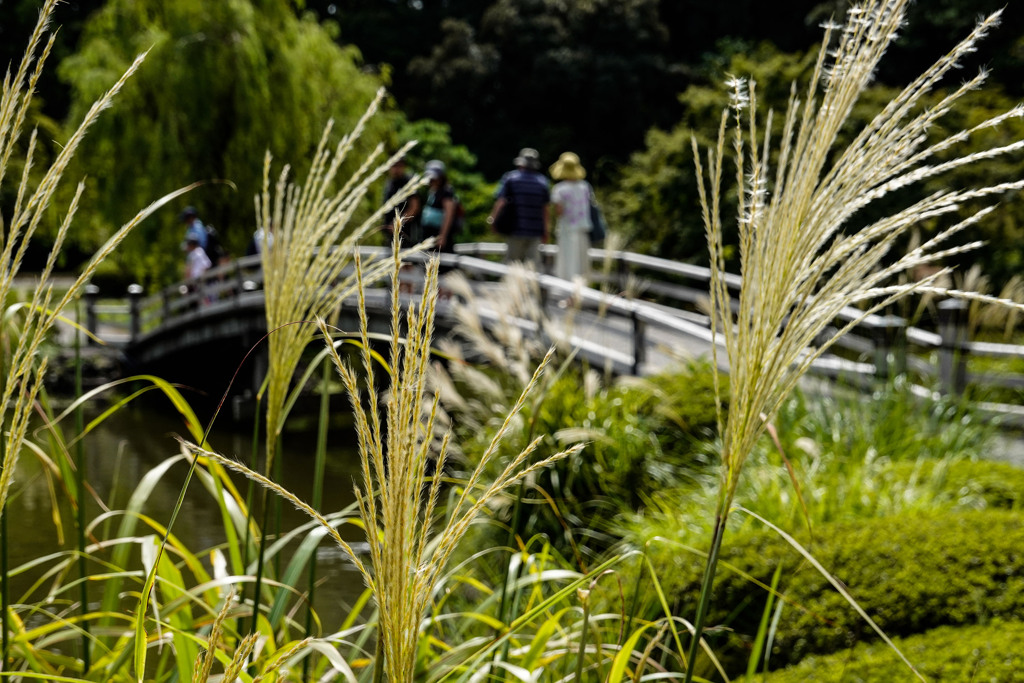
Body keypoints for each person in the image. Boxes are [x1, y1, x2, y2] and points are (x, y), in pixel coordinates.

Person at [488, 148, 550, 268]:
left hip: (515, 229)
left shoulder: (511, 179)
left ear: (521, 163)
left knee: (512, 265)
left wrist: (493, 220)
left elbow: (501, 201)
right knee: (533, 267)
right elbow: (545, 209)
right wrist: (546, 231)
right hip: (535, 231)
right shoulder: (542, 182)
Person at [549, 151, 593, 283]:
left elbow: (559, 211)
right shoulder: (586, 186)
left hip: (567, 229)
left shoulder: (559, 189)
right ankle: (580, 292)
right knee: (582, 262)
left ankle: (568, 294)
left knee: (567, 262)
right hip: (583, 228)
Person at [419, 160, 459, 254]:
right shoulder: (433, 191)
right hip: (429, 234)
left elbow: (448, 214)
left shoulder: (446, 192)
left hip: (439, 235)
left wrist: (442, 236)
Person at [381, 157, 421, 244]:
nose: (395, 169)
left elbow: (414, 207)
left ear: (404, 166)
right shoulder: (389, 183)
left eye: (398, 166)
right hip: (389, 234)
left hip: (405, 234)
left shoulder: (408, 182)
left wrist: (398, 223)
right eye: (393, 166)